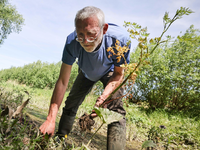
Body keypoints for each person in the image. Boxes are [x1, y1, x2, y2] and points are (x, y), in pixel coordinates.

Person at [39, 6, 131, 150]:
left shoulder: (120, 41)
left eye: (91, 34)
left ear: (104, 29)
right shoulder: (72, 42)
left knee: (116, 109)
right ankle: (59, 140)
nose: (85, 41)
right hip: (86, 72)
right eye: (80, 34)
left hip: (110, 72)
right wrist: (50, 119)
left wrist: (104, 96)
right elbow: (63, 82)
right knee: (71, 104)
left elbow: (119, 74)